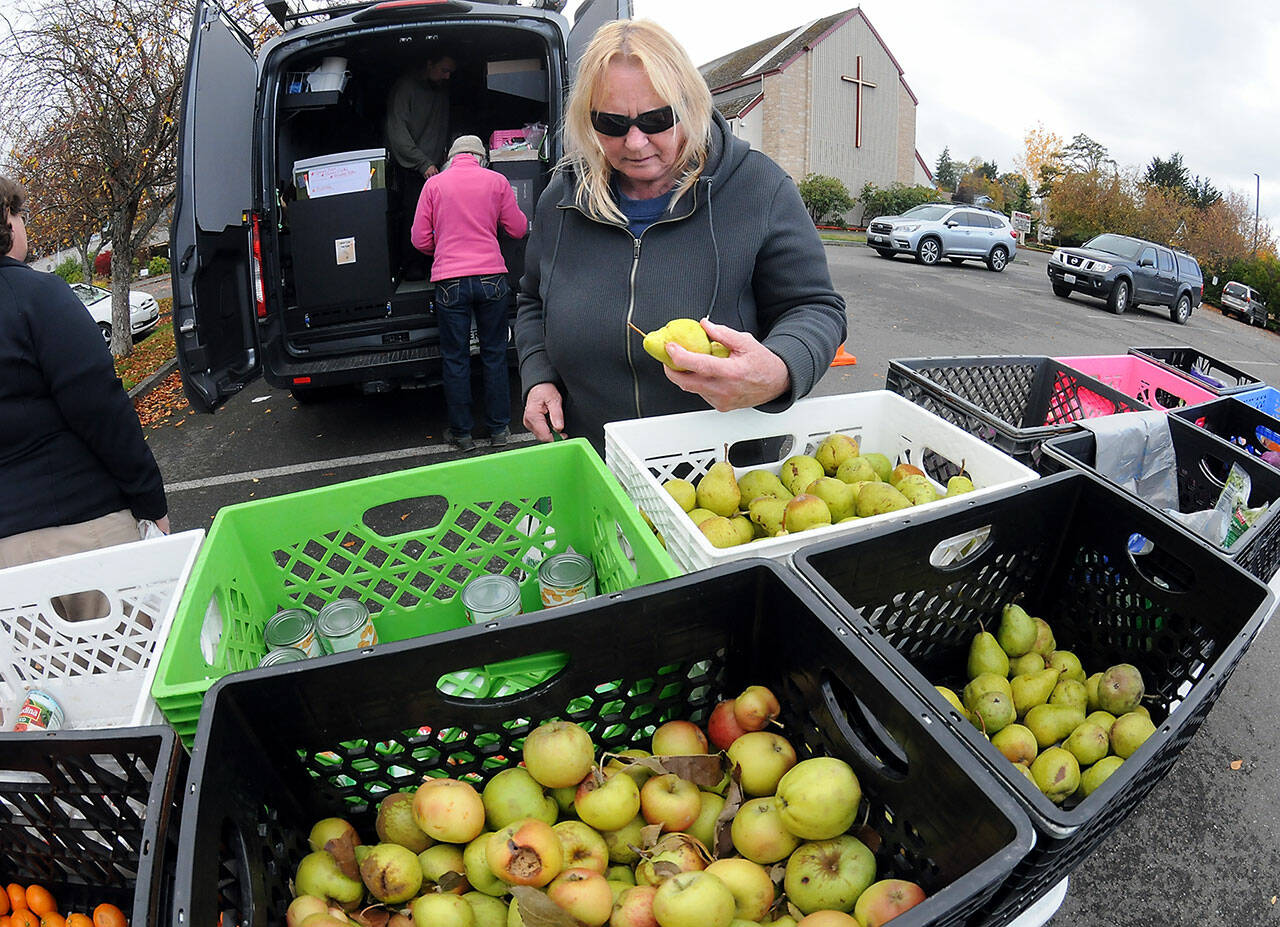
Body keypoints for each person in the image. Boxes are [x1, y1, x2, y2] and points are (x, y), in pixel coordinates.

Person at [515, 19, 846, 452]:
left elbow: (815, 307)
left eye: (656, 119)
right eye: (611, 124)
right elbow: (532, 301)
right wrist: (537, 376)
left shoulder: (759, 187)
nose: (634, 143)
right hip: (592, 460)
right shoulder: (562, 197)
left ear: (689, 104)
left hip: (725, 478)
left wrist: (782, 368)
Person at [0, 176, 169, 614]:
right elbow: (101, 409)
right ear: (6, 220)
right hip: (82, 538)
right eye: (19, 214)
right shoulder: (35, 295)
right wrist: (151, 501)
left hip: (7, 576)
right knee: (137, 669)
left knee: (50, 683)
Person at [412, 136, 529, 450]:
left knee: (455, 358)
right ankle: (499, 431)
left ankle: (462, 435)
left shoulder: (434, 185)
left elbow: (419, 239)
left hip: (450, 281)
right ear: (482, 157)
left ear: (451, 157)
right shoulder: (496, 181)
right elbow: (518, 229)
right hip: (491, 277)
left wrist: (446, 244)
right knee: (493, 355)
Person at [385, 52, 457, 280]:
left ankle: (435, 264)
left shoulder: (441, 91)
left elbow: (442, 127)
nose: (447, 76)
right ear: (429, 62)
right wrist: (422, 163)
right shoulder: (406, 87)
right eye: (443, 70)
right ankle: (413, 267)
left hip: (436, 166)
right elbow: (397, 133)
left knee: (441, 216)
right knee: (415, 216)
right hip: (413, 168)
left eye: (450, 73)